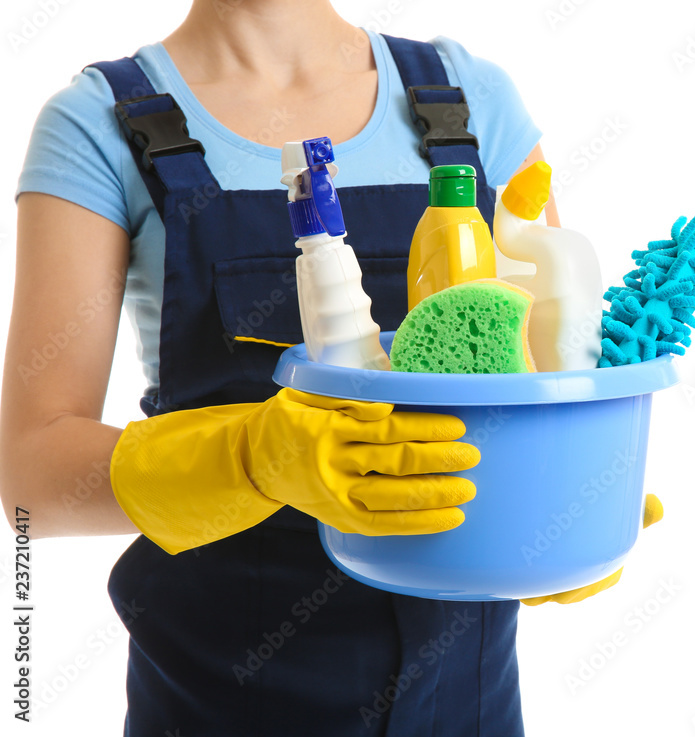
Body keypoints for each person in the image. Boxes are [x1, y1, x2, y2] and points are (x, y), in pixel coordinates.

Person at [1, 2, 647, 735]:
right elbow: (33, 480)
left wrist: (566, 515)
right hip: (220, 696)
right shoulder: (99, 123)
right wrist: (252, 459)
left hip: (466, 698)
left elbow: (552, 368)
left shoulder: (469, 101)